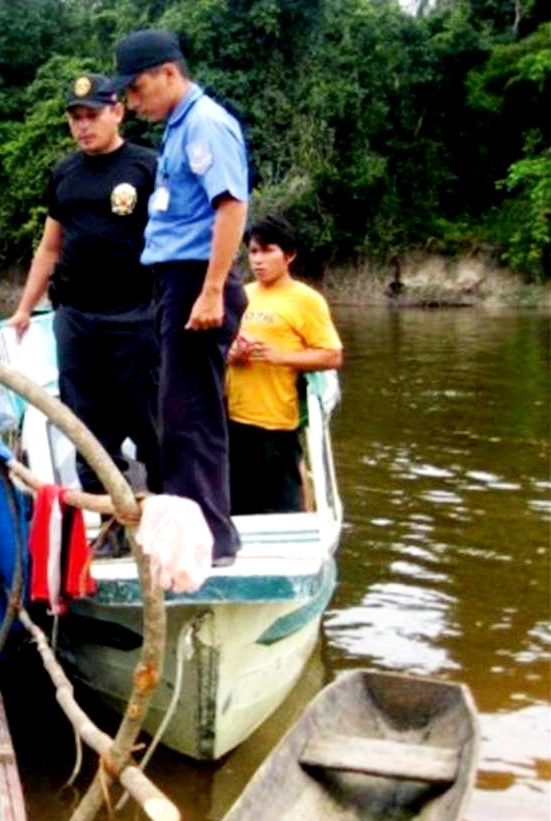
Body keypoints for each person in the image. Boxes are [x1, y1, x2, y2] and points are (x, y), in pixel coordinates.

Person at [112, 29, 250, 565]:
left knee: (190, 419)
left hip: (197, 282)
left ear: (170, 73)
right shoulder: (177, 127)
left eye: (139, 87)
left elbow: (231, 206)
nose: (132, 100)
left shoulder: (205, 125)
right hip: (180, 282)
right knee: (183, 415)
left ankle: (210, 542)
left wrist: (213, 290)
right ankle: (211, 535)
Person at [9, 73, 161, 510]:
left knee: (148, 418)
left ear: (118, 112)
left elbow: (174, 240)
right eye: (75, 118)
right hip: (76, 316)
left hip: (136, 314)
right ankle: (108, 513)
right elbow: (49, 247)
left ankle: (164, 512)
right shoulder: (65, 173)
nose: (83, 126)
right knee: (86, 423)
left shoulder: (147, 167)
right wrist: (24, 309)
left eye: (92, 115)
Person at [227, 215, 344, 514]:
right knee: (237, 507)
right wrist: (233, 355)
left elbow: (332, 355)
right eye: (253, 252)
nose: (258, 260)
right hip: (231, 417)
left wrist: (282, 356)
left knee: (281, 508)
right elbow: (221, 349)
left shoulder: (307, 300)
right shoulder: (241, 295)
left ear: (289, 255)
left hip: (276, 420)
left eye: (268, 251)